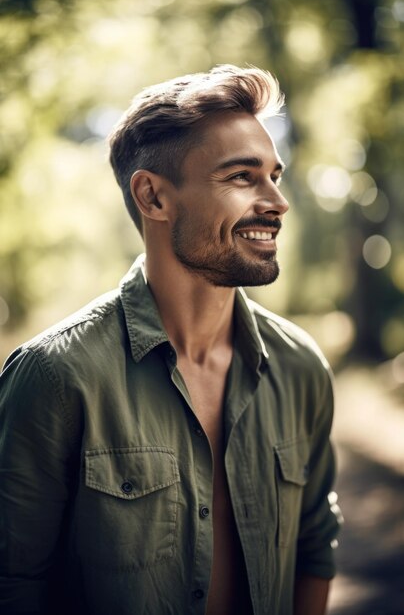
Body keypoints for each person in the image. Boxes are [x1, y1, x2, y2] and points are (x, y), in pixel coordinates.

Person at [0, 64, 341, 615]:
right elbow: (14, 583)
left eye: (275, 175)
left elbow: (315, 545)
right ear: (153, 198)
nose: (276, 202)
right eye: (241, 177)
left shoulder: (300, 366)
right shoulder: (55, 378)